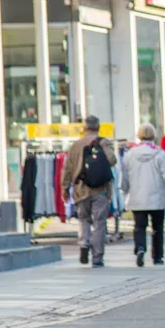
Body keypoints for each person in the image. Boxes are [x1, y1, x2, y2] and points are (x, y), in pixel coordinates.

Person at [122, 124, 165, 267]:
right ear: (154, 135)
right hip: (156, 197)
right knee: (157, 228)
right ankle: (157, 256)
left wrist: (124, 191)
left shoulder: (130, 154)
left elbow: (124, 177)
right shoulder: (160, 153)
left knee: (139, 226)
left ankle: (140, 248)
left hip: (137, 197)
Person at [61, 115, 117, 268]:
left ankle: (84, 243)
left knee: (83, 218)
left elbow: (67, 169)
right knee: (99, 223)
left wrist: (65, 188)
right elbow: (112, 160)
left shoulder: (75, 146)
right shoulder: (104, 142)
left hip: (81, 188)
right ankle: (97, 257)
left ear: (84, 128)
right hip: (101, 189)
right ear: (98, 127)